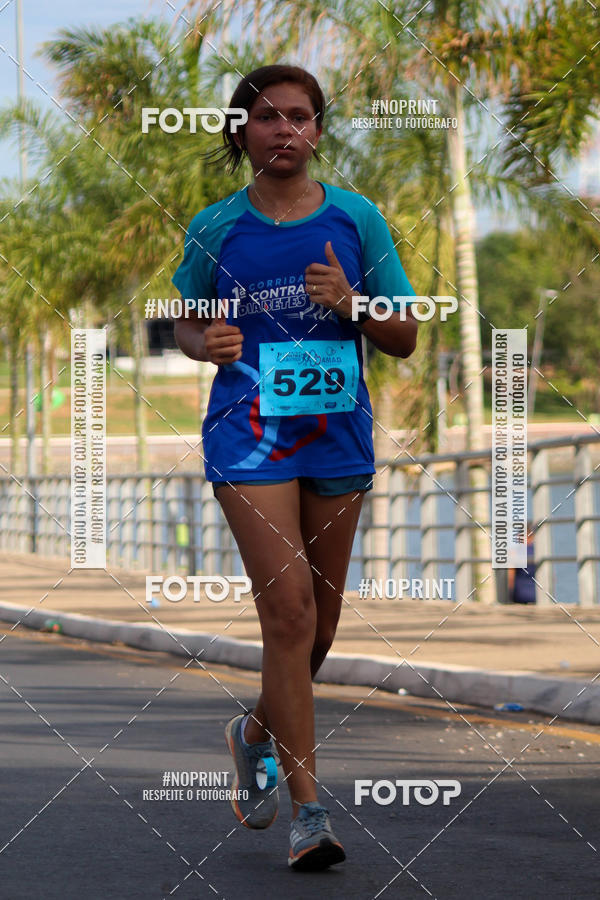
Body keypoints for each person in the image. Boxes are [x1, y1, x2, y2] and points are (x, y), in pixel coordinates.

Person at [172, 64, 418, 871]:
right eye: (270, 118)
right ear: (241, 131)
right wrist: (200, 342)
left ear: (319, 130)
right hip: (249, 436)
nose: (287, 131)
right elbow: (185, 319)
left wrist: (353, 304)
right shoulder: (215, 227)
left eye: (301, 117)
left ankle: (252, 732)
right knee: (286, 617)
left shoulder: (357, 218)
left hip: (337, 435)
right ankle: (310, 813)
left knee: (319, 630)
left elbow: (405, 333)